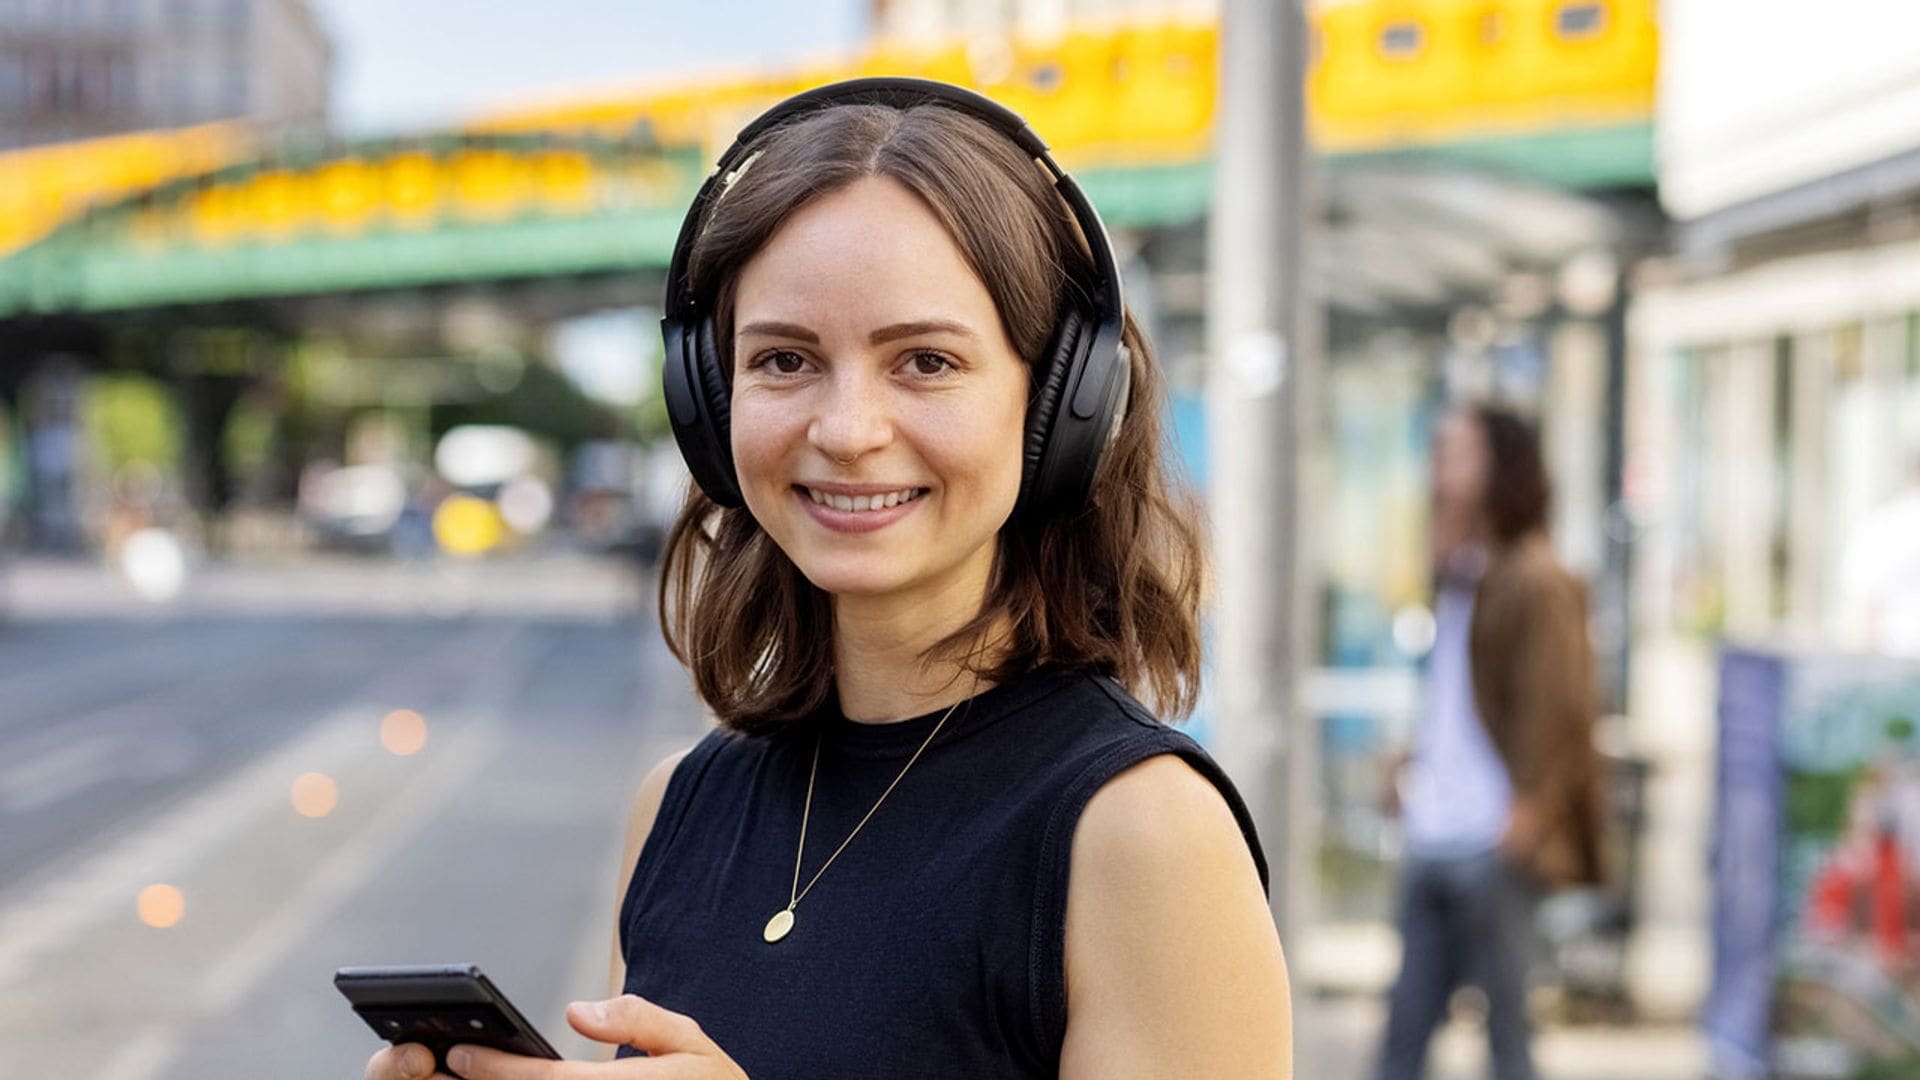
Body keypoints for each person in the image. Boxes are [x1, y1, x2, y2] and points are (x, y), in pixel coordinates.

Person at [365, 78, 1291, 1080]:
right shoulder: (676, 808)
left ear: (1061, 403)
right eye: (785, 360)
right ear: (709, 400)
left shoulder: (1144, 834)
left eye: (926, 362)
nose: (847, 430)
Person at [1376, 405, 1605, 1080]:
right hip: (1433, 828)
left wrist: (1527, 813)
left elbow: (1559, 707)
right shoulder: (1458, 570)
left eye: (1460, 450)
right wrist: (1410, 763)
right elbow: (1453, 696)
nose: (1441, 461)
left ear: (1502, 464)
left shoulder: (1536, 576)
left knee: (1508, 1034)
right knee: (1404, 1027)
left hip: (1492, 836)